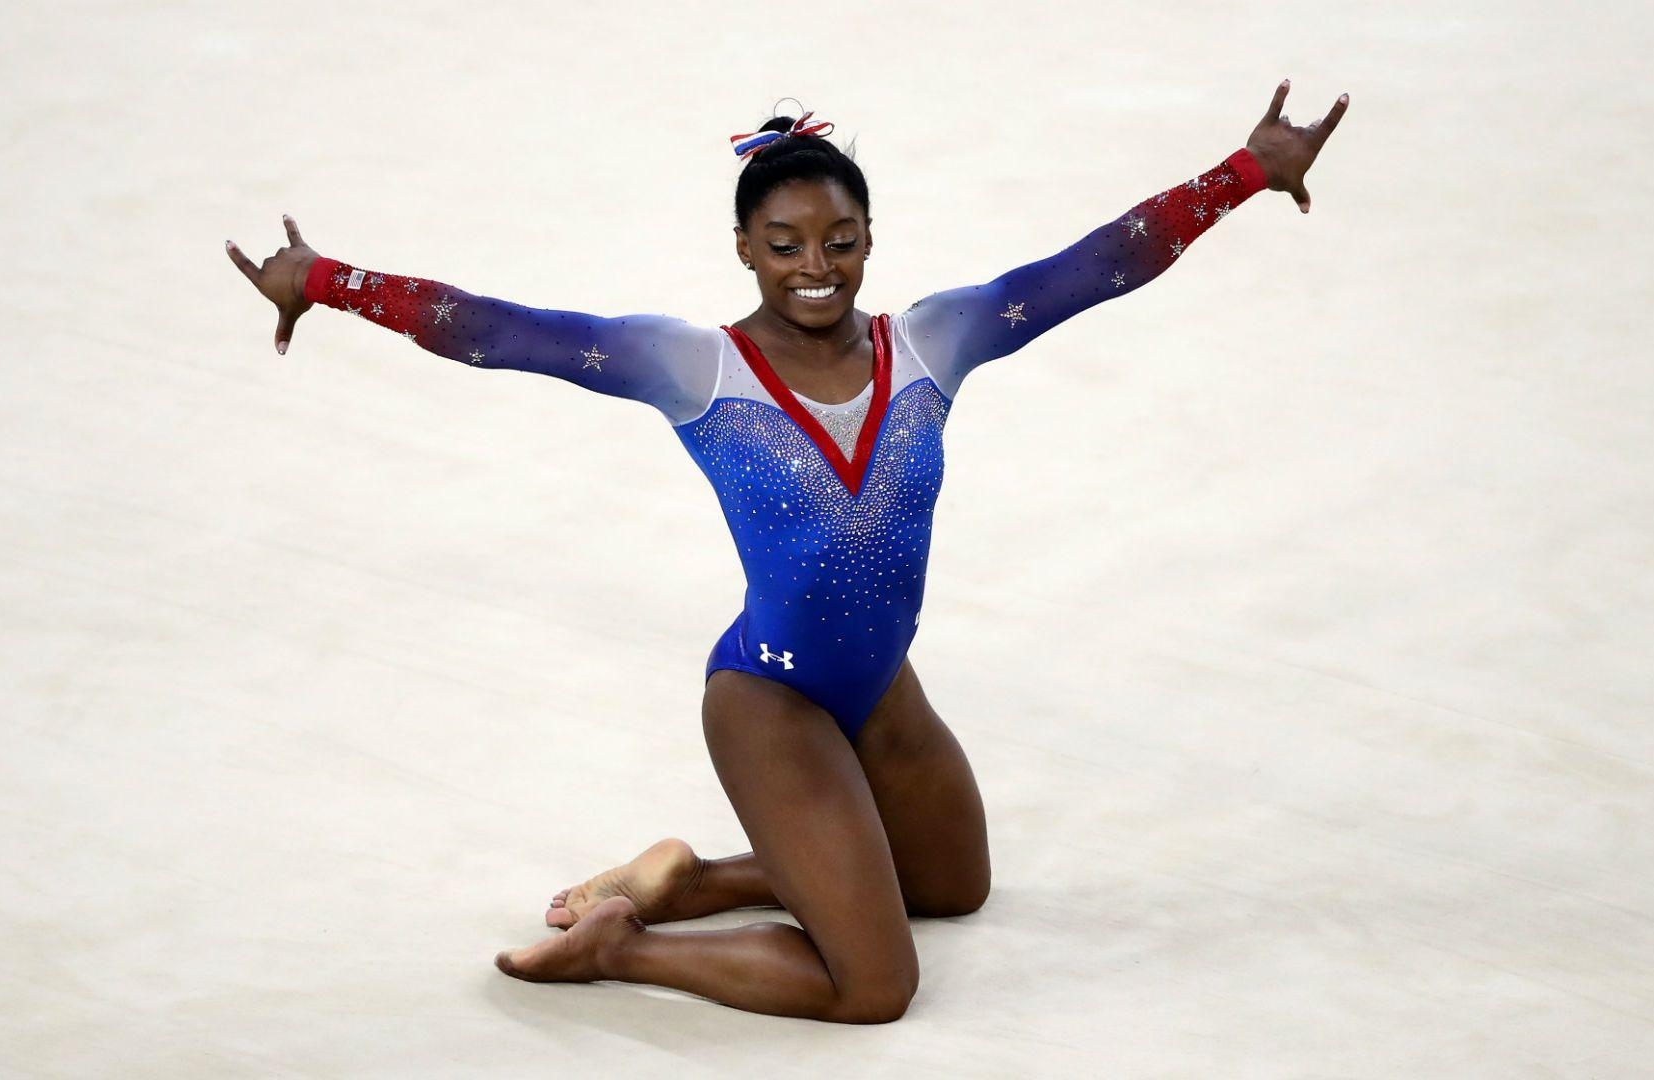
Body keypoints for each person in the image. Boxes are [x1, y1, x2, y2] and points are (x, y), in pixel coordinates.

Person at [227, 80, 1348, 1023]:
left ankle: (689, 877)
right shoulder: (694, 369)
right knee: (874, 986)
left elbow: (1094, 266)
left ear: (871, 241)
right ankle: (621, 947)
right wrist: (327, 283)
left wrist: (1243, 173)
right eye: (784, 245)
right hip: (770, 700)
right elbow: (498, 331)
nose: (816, 266)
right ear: (743, 250)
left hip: (880, 690)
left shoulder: (932, 343)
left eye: (840, 241)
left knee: (952, 889)